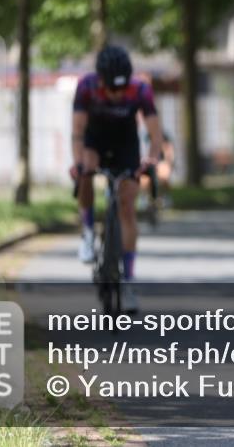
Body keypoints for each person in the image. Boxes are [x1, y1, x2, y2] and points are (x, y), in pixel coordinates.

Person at [70, 45, 164, 313]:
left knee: (127, 207)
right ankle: (88, 233)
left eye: (121, 89)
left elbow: (155, 133)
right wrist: (78, 164)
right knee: (86, 169)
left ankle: (128, 281)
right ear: (101, 80)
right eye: (112, 89)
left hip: (126, 145)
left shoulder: (141, 90)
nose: (117, 94)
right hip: (94, 141)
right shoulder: (86, 87)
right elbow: (77, 131)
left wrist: (152, 159)